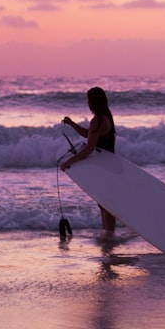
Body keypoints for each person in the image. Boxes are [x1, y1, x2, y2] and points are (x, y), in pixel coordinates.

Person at [60, 87, 117, 232]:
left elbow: (89, 148)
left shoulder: (97, 121)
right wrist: (72, 123)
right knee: (105, 203)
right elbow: (89, 134)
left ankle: (109, 235)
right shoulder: (106, 117)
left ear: (92, 102)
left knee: (106, 204)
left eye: (88, 100)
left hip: (103, 167)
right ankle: (108, 233)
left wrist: (69, 162)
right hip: (109, 164)